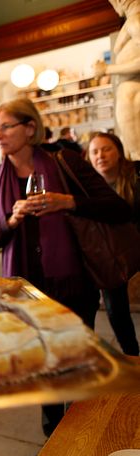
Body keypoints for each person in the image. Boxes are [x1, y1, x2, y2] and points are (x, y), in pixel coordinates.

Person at [0, 98, 131, 436]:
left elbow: (118, 208)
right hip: (26, 290)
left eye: (5, 126)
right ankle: (54, 438)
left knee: (78, 364)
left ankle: (87, 436)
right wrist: (12, 220)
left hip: (74, 283)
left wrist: (70, 202)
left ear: (30, 128)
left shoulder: (67, 164)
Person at [87, 132, 140, 355]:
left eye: (106, 149)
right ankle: (132, 356)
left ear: (118, 151)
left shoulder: (136, 175)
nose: (101, 155)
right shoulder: (86, 186)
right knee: (115, 306)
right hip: (111, 254)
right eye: (94, 151)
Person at [94, 0, 140, 161]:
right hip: (129, 93)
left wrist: (107, 70)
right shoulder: (131, 22)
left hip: (133, 92)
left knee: (136, 157)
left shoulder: (136, 21)